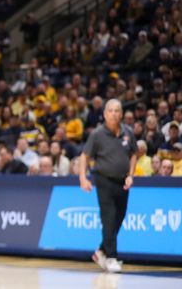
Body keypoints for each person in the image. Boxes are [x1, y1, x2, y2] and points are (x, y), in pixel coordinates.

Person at [80, 99, 137, 274]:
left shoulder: (128, 132)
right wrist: (83, 178)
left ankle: (101, 251)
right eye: (110, 110)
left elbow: (134, 153)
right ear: (105, 114)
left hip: (122, 181)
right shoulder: (97, 134)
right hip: (103, 179)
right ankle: (111, 257)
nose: (114, 113)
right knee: (109, 217)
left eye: (117, 110)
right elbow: (84, 156)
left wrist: (130, 175)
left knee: (119, 217)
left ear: (121, 114)